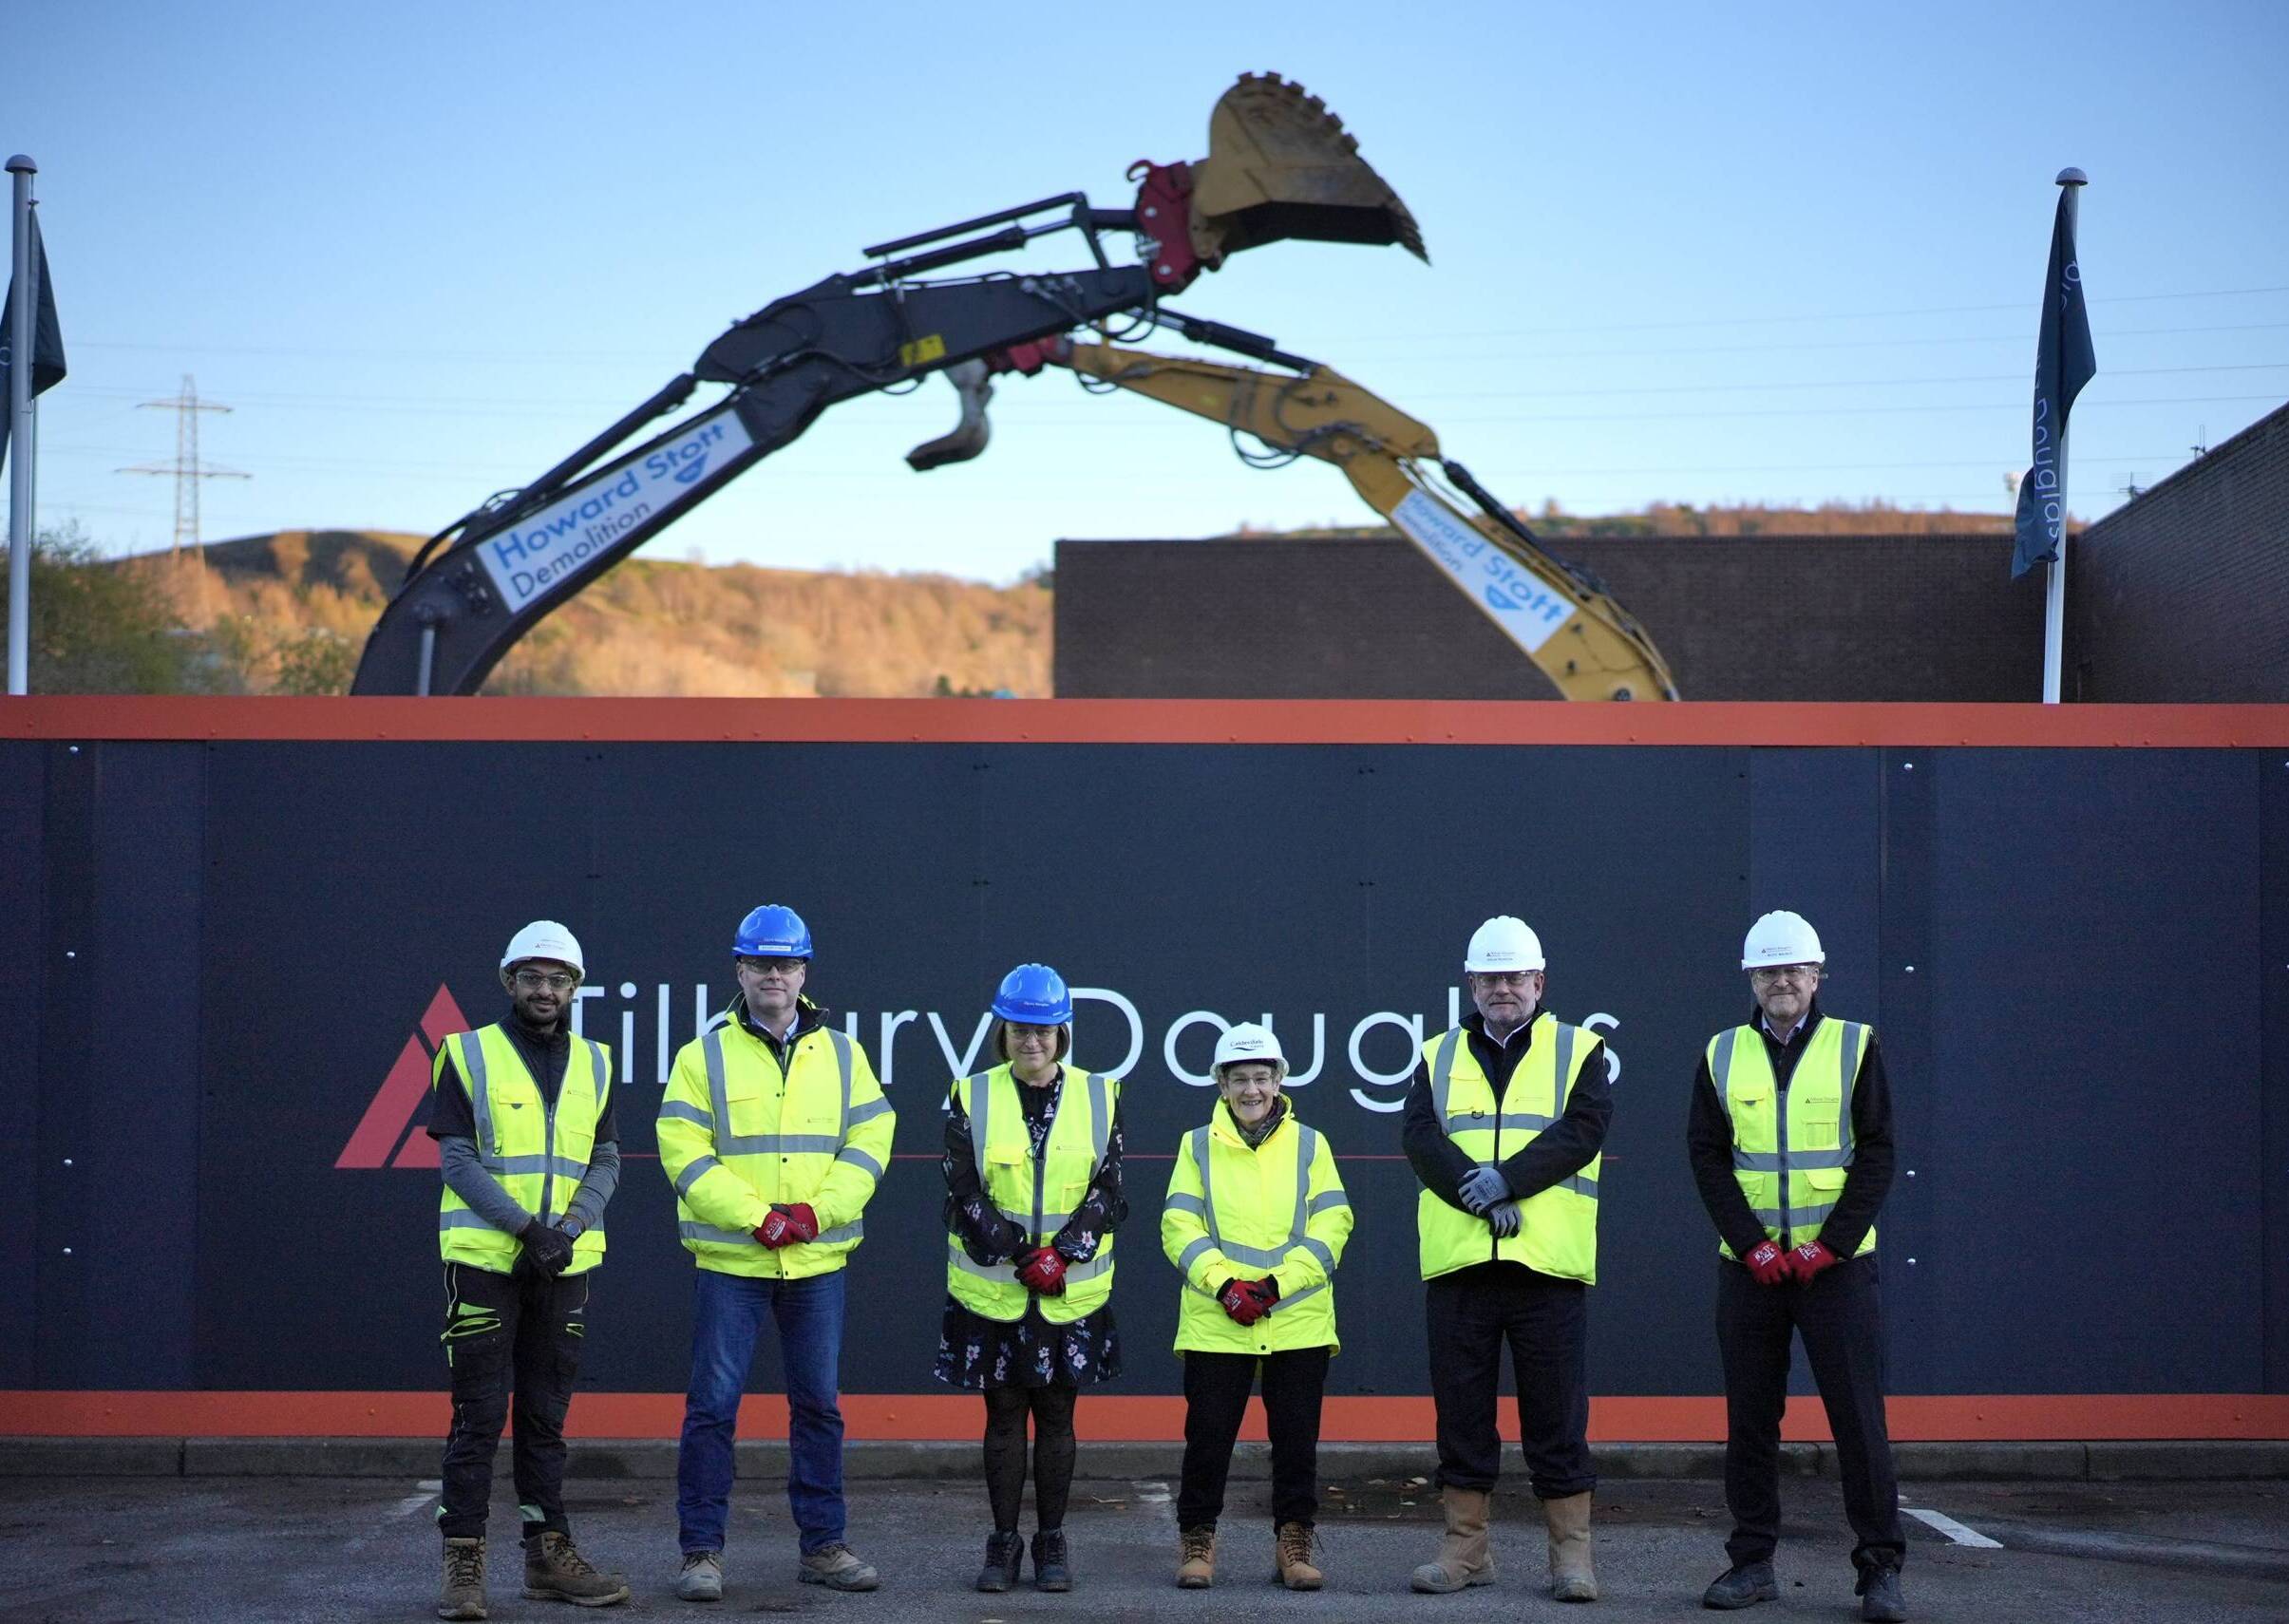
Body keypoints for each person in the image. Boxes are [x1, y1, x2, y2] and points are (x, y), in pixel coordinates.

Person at [656, 904, 896, 1600]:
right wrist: (758, 1218)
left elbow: (870, 1141)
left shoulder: (845, 1054)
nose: (773, 975)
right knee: (712, 1408)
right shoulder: (702, 1057)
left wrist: (814, 1213)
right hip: (734, 1263)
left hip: (815, 1263)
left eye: (785, 963)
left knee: (819, 1405)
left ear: (803, 972)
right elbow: (683, 1153)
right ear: (739, 970)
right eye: (760, 963)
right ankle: (701, 1553)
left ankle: (824, 1548)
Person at [1688, 911, 1905, 1622]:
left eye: (1794, 970)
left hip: (1835, 1272)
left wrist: (1831, 1245)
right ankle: (1751, 1564)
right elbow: (1708, 1157)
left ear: (1817, 976)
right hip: (1751, 1273)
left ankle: (1880, 1570)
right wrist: (1751, 1244)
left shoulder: (1854, 1046)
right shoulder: (1721, 1053)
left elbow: (1876, 1153)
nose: (1782, 981)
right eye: (1769, 971)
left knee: (1858, 1422)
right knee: (1752, 1421)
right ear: (1751, 979)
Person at [1402, 916, 1612, 1602]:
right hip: (1462, 1263)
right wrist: (1483, 1199)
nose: (1502, 989)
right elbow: (1421, 1138)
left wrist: (1511, 1180)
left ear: (1538, 981)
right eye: (1490, 978)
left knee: (1556, 1416)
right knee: (1462, 1414)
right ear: (1470, 984)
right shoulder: (1435, 1053)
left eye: (1514, 977)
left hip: (1545, 1267)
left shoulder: (1579, 1048)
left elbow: (1582, 1131)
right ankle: (1467, 1554)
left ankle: (1570, 1559)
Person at [426, 919, 630, 1619]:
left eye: (560, 979)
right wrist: (527, 1229)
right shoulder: (466, 1052)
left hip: (564, 1262)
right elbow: (456, 1159)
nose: (546, 990)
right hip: (487, 1259)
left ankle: (548, 1556)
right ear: (510, 981)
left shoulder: (598, 1062)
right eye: (533, 977)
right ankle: (463, 1562)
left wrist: (568, 1230)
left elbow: (605, 1160)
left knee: (544, 1418)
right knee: (477, 1416)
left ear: (575, 988)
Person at [937, 963, 1126, 1593]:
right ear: (1004, 1030)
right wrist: (1023, 1253)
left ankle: (1050, 1543)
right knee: (1002, 1418)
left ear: (1062, 1032)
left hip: (1068, 1292)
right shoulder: (973, 1093)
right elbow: (961, 1190)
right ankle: (1002, 1545)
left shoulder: (1100, 1094)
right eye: (1021, 1029)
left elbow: (1110, 1186)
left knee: (1057, 1417)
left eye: (1044, 1030)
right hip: (996, 1291)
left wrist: (1065, 1252)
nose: (1032, 1041)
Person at [1162, 1023, 1353, 1593]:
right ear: (1221, 1084)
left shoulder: (1311, 1144)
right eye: (1240, 1078)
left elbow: (1334, 1223)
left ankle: (1293, 1545)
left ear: (1280, 1080)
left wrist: (1274, 1287)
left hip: (1296, 1319)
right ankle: (1197, 1540)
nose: (1252, 1090)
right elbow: (1178, 1225)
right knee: (1208, 1440)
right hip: (1217, 1321)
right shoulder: (1195, 1145)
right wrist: (1225, 1287)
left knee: (1297, 1442)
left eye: (1261, 1077)